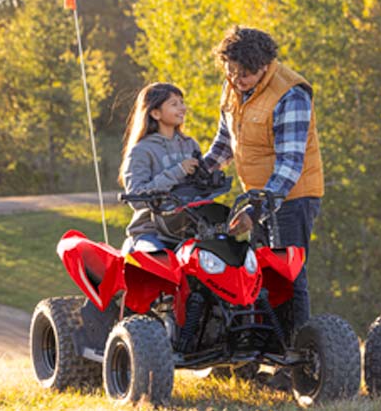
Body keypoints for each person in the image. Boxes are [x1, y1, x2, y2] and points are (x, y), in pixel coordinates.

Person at [202, 26, 323, 331]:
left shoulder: (290, 94)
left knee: (287, 277)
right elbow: (224, 144)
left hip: (293, 197)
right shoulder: (233, 87)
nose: (236, 79)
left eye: (245, 74)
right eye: (231, 71)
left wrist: (256, 210)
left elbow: (290, 163)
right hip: (257, 195)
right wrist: (199, 175)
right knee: (257, 275)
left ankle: (295, 351)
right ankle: (263, 345)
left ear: (265, 66)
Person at [119, 83, 200, 252]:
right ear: (155, 113)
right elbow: (137, 198)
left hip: (190, 231)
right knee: (159, 259)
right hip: (151, 232)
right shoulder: (141, 150)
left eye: (182, 102)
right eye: (174, 104)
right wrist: (178, 171)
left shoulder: (190, 145)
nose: (182, 108)